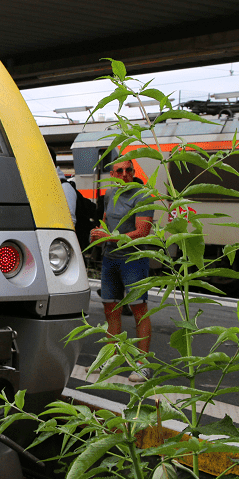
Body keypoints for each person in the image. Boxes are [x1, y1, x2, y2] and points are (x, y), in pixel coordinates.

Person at [89, 160, 154, 382]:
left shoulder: (142, 195)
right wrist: (98, 235)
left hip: (133, 259)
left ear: (134, 172)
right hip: (111, 258)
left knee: (139, 309)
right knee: (110, 308)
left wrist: (111, 237)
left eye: (129, 170)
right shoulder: (109, 194)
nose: (125, 174)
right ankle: (111, 357)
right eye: (120, 171)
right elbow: (106, 222)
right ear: (112, 174)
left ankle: (142, 364)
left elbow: (143, 231)